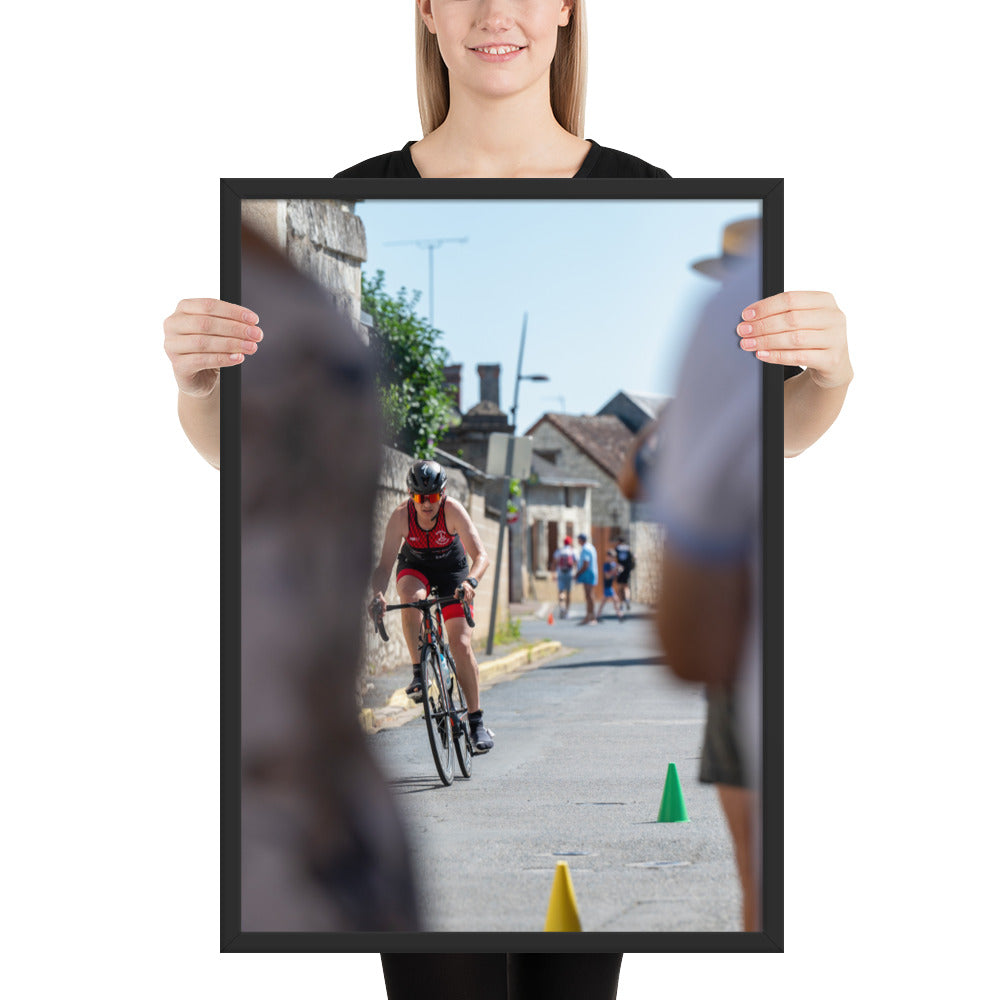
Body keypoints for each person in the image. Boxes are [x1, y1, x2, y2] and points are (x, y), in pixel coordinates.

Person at [162, 0, 851, 994]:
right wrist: (196, 391)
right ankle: (426, 672)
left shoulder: (639, 191)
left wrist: (828, 380)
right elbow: (260, 468)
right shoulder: (344, 197)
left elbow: (740, 457)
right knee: (416, 633)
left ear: (569, 11)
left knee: (461, 639)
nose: (498, 13)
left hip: (457, 572)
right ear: (427, 13)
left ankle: (471, 714)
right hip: (413, 576)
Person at [653, 245, 764, 932]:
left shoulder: (729, 317)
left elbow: (693, 645)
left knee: (757, 869)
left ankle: (472, 714)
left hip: (748, 681)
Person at [371, 460, 494, 754]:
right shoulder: (401, 516)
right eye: (419, 497)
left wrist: (471, 583)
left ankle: (475, 720)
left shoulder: (453, 511)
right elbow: (385, 565)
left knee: (461, 644)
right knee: (411, 597)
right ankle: (418, 671)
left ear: (443, 493)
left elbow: (481, 556)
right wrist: (377, 593)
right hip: (416, 567)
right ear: (410, 494)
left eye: (433, 497)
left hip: (453, 572)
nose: (426, 504)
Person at [550, 534, 577, 618]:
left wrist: (553, 574)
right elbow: (576, 563)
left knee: (561, 591)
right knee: (568, 593)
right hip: (569, 573)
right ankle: (567, 611)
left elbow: (554, 563)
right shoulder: (573, 551)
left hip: (560, 573)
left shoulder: (559, 551)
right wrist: (576, 573)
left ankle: (562, 607)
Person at [574, 532, 598, 625]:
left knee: (589, 595)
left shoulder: (586, 549)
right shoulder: (590, 547)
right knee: (589, 595)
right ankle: (589, 615)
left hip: (588, 574)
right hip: (590, 574)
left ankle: (591, 616)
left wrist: (578, 573)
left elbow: (586, 564)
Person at [596, 549, 623, 622]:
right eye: (611, 557)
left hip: (610, 586)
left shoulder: (613, 564)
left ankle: (598, 614)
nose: (613, 559)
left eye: (614, 558)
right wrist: (614, 571)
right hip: (607, 586)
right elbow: (607, 576)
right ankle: (619, 614)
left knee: (604, 601)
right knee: (615, 599)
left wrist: (619, 570)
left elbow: (620, 568)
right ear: (608, 557)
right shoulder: (606, 565)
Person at [612, 536, 634, 611]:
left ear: (619, 541)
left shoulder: (617, 548)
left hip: (620, 569)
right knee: (626, 586)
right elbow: (633, 558)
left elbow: (614, 558)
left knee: (620, 588)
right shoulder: (628, 548)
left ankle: (621, 604)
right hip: (627, 569)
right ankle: (627, 600)